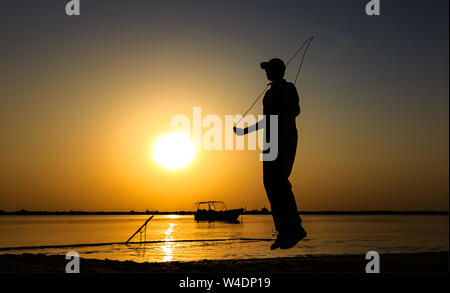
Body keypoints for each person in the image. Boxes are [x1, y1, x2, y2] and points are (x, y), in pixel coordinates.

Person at [233, 58, 307, 250]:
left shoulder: (289, 88)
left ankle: (295, 228)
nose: (266, 73)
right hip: (269, 142)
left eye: (269, 70)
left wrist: (281, 110)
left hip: (285, 139)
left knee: (279, 181)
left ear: (278, 71)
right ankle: (285, 231)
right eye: (266, 70)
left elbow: (295, 110)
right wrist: (244, 131)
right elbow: (266, 120)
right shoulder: (268, 94)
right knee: (270, 184)